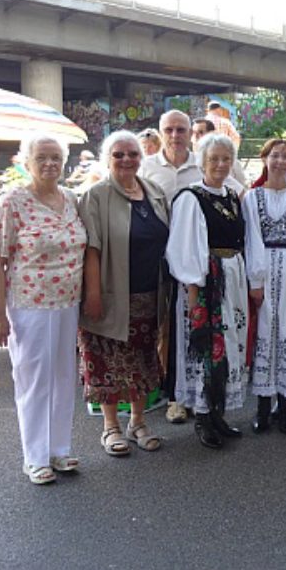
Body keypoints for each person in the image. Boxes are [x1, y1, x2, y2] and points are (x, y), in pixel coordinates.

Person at [0, 135, 86, 484]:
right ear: (27, 162)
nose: (49, 164)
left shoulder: (70, 199)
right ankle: (35, 457)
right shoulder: (14, 202)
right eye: (41, 157)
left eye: (56, 158)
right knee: (33, 381)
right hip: (30, 305)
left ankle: (59, 449)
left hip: (68, 303)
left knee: (63, 378)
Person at [79, 130, 169, 456]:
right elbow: (91, 249)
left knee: (143, 360)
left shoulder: (154, 192)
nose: (126, 160)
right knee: (107, 362)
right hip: (109, 293)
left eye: (132, 153)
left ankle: (138, 421)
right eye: (118, 154)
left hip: (148, 295)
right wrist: (92, 293)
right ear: (107, 159)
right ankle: (110, 428)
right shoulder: (95, 196)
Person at [166, 133, 249, 449]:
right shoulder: (191, 197)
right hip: (204, 282)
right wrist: (193, 290)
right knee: (206, 347)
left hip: (231, 274)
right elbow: (184, 248)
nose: (220, 164)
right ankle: (202, 415)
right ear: (202, 162)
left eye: (225, 159)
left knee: (228, 346)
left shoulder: (230, 195)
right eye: (213, 159)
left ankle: (218, 411)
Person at [245, 138, 286, 434]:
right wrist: (256, 280)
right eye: (275, 155)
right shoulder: (252, 197)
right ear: (265, 159)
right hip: (264, 269)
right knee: (264, 333)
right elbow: (251, 240)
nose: (280, 161)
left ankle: (285, 407)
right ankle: (262, 405)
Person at [140, 109, 201, 425]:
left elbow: (235, 191)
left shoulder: (203, 164)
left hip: (193, 260)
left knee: (188, 326)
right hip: (156, 257)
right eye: (170, 130)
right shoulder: (146, 167)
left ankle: (184, 393)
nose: (175, 136)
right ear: (161, 132)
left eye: (181, 130)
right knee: (159, 324)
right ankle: (162, 388)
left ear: (190, 133)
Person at [191, 117, 248, 190]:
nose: (195, 136)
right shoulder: (190, 193)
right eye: (193, 133)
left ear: (211, 133)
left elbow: (242, 189)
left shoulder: (234, 164)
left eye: (201, 132)